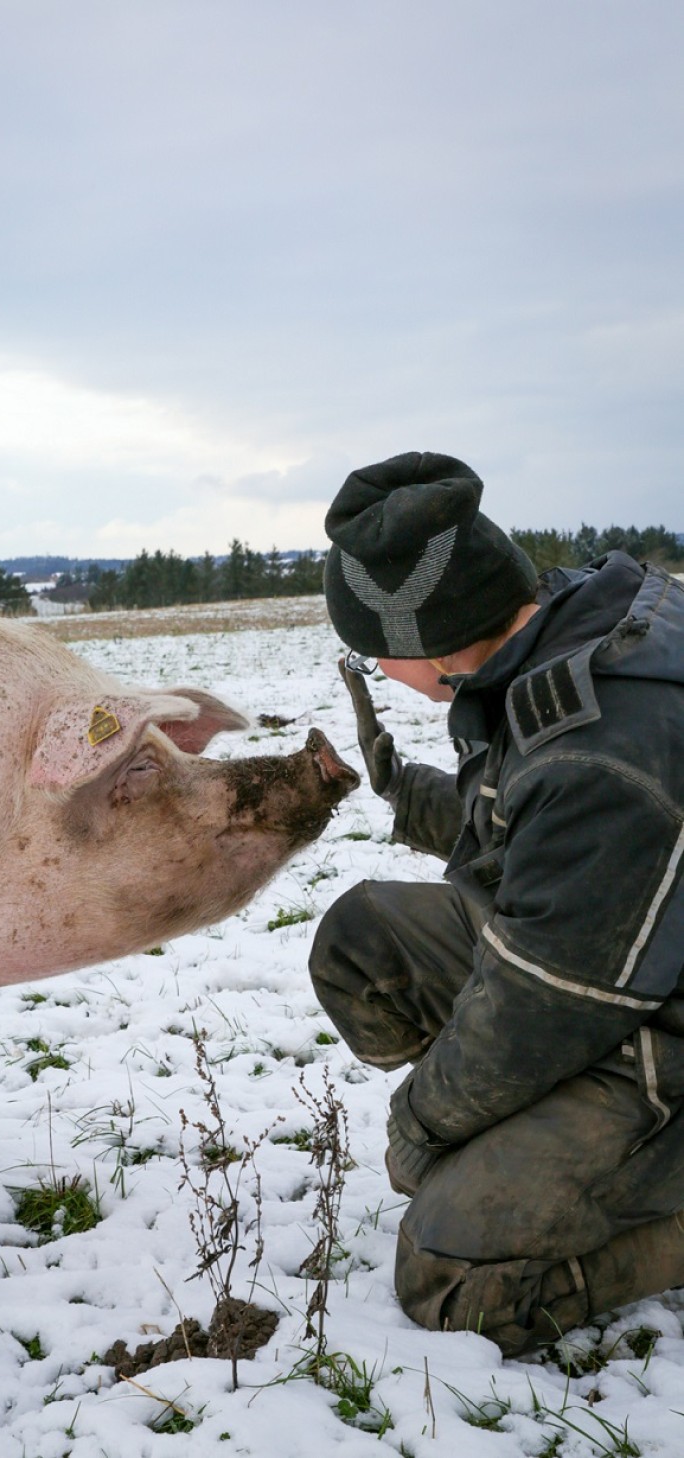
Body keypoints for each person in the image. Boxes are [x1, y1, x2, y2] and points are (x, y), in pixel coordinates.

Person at [311, 450, 684, 1356]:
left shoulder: (598, 746)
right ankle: (526, 1129)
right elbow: (526, 825)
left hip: (650, 1018)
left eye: (374, 652)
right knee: (362, 941)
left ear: (433, 646)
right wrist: (404, 791)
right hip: (620, 958)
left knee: (452, 1277)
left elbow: (547, 999)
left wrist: (429, 1120)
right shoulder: (564, 629)